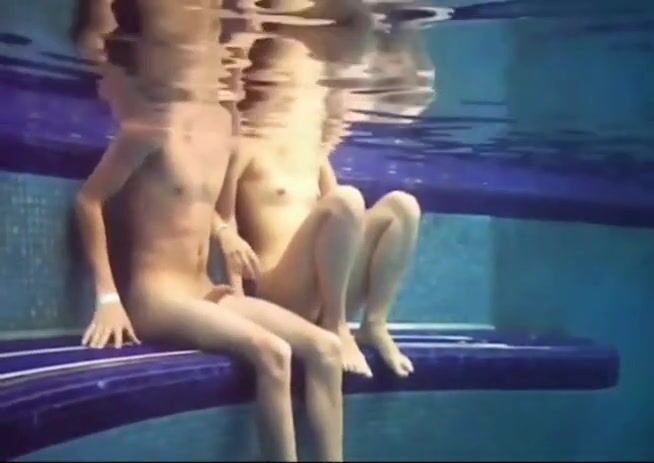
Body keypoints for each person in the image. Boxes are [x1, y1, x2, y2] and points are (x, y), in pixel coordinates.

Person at [73, 1, 343, 460]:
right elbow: (88, 200)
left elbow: (212, 211)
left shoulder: (225, 123)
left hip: (205, 290)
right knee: (273, 353)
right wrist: (108, 298)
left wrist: (227, 239)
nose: (229, 59)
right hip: (156, 297)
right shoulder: (150, 126)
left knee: (326, 349)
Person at [215, 14, 425, 378]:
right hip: (280, 290)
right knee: (345, 200)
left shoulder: (315, 155)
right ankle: (336, 325)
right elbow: (223, 217)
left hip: (327, 289)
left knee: (401, 207)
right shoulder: (247, 146)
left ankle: (374, 323)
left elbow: (350, 226)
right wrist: (237, 296)